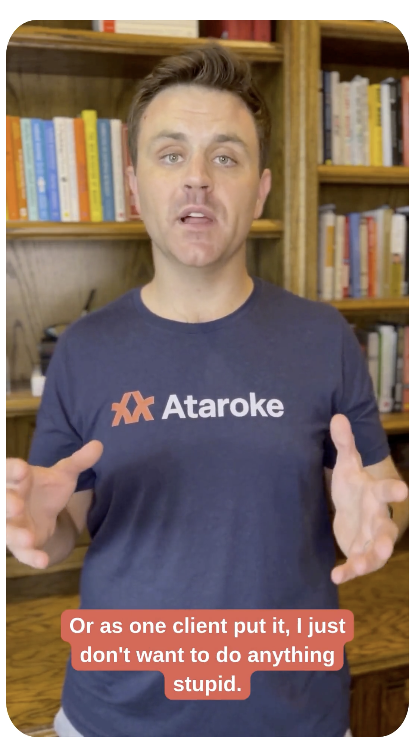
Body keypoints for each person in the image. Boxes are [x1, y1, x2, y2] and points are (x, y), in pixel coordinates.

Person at [6, 44, 408, 738]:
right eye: (171, 155)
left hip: (294, 716)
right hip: (116, 717)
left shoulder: (324, 337)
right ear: (135, 186)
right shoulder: (84, 347)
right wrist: (41, 525)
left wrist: (376, 523)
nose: (197, 178)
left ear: (261, 188)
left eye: (225, 156)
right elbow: (64, 521)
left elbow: (382, 496)